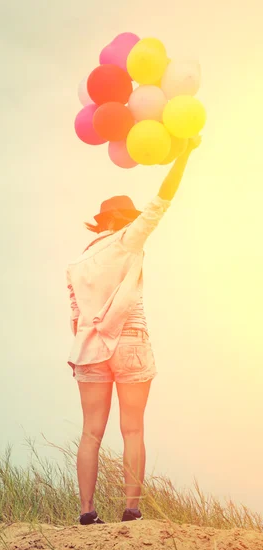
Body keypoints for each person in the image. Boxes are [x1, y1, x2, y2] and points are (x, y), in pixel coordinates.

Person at [66, 135, 202, 525]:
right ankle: (131, 509)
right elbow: (162, 202)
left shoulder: (77, 264)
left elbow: (75, 316)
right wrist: (185, 155)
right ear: (121, 222)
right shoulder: (128, 241)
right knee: (132, 428)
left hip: (87, 349)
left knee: (91, 431)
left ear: (100, 222)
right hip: (129, 342)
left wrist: (75, 355)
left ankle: (87, 513)